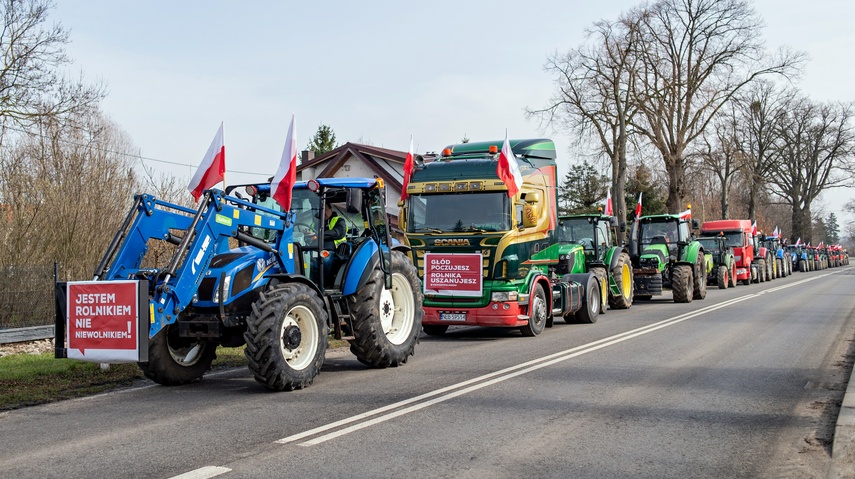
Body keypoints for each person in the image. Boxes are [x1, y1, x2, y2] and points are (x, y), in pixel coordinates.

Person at [321, 203, 347, 282]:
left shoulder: (339, 220)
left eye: (324, 209)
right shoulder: (317, 222)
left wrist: (320, 235)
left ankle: (326, 282)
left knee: (325, 260)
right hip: (314, 248)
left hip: (334, 249)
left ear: (330, 210)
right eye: (321, 210)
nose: (323, 212)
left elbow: (338, 232)